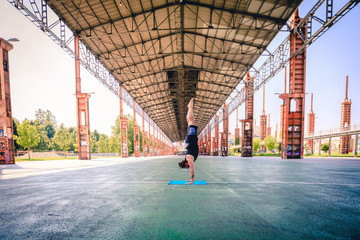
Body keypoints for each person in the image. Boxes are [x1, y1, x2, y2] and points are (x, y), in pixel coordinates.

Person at [178, 98, 199, 184]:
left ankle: (190, 107)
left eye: (186, 167)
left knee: (190, 121)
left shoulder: (189, 160)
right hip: (191, 139)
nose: (188, 167)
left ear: (185, 164)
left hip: (191, 138)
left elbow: (192, 170)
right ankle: (190, 107)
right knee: (191, 121)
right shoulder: (188, 158)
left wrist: (192, 181)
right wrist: (191, 179)